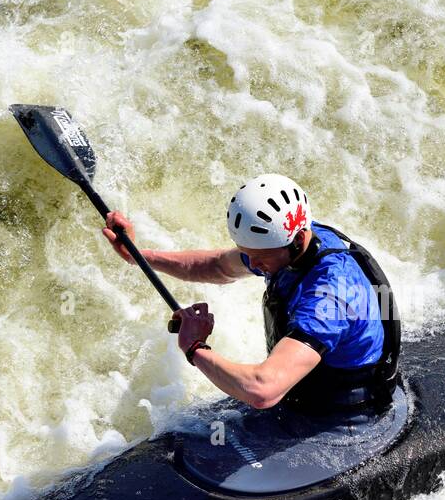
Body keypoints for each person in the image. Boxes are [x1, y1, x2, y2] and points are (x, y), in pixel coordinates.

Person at [103, 174, 400, 412]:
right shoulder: (291, 243)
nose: (253, 265)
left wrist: (194, 348)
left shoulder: (329, 297)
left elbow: (262, 391)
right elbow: (217, 266)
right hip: (305, 390)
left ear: (296, 240)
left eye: (260, 258)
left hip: (344, 415)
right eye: (248, 254)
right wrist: (139, 256)